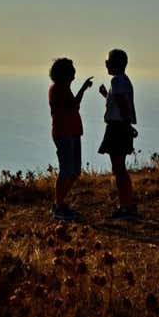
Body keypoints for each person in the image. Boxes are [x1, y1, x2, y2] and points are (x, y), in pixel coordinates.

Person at [48, 58, 93, 220]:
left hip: (71, 132)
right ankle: (58, 206)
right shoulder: (58, 89)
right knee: (67, 171)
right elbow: (72, 106)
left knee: (73, 172)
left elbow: (72, 105)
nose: (74, 72)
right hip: (64, 133)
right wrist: (82, 89)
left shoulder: (63, 88)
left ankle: (59, 203)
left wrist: (81, 89)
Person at [98, 49, 138, 220]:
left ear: (115, 64)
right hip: (120, 126)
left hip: (117, 128)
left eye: (108, 61)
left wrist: (127, 125)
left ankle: (125, 207)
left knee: (119, 169)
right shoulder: (123, 80)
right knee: (120, 168)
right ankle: (127, 204)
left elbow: (122, 105)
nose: (106, 64)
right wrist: (106, 95)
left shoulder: (116, 81)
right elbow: (119, 102)